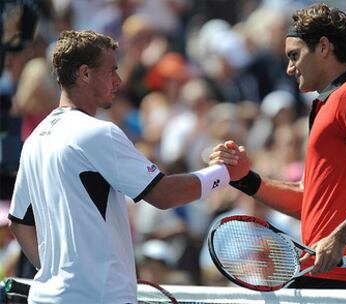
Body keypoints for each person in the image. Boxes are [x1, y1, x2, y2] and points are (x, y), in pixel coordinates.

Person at [7, 30, 240, 304]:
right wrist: (224, 173)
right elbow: (163, 194)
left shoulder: (35, 139)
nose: (118, 81)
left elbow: (19, 223)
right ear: (84, 73)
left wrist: (56, 272)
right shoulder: (97, 133)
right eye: (111, 71)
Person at [209, 3, 346, 289]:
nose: (290, 69)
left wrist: (339, 238)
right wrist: (246, 180)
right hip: (329, 275)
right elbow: (309, 201)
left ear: (324, 47)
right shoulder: (325, 105)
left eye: (294, 56)